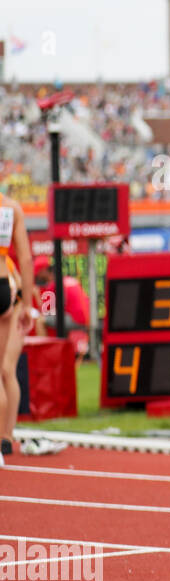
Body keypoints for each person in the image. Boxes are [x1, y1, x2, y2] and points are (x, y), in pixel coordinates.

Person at [0, 192, 33, 460]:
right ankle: (6, 436)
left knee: (5, 370)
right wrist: (28, 307)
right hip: (8, 295)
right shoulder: (10, 208)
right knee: (5, 370)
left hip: (12, 296)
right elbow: (27, 259)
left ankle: (5, 435)